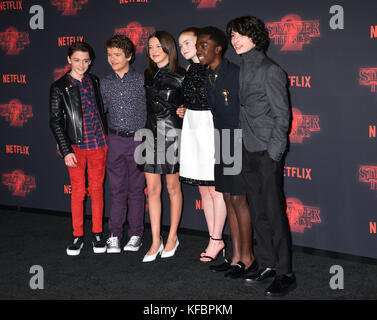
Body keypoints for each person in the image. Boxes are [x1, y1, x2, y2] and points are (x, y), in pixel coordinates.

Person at [226, 16, 296, 297]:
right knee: (257, 211)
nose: (235, 40)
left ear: (255, 36)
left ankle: (286, 273)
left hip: (267, 151)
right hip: (246, 149)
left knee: (275, 213)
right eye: (232, 36)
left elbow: (283, 116)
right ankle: (267, 264)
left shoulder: (271, 70)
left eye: (241, 34)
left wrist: (274, 152)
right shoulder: (239, 69)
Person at [195, 27, 257, 274]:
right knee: (228, 199)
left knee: (239, 200)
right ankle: (234, 256)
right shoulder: (208, 75)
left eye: (203, 45)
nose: (199, 50)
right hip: (221, 141)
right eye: (198, 45)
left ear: (218, 48)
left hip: (237, 141)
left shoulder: (234, 73)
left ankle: (248, 258)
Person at [49, 42, 108, 256]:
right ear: (68, 60)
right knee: (78, 192)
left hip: (99, 144)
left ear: (90, 61)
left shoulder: (94, 81)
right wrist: (66, 150)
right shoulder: (59, 86)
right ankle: (77, 235)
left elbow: (100, 110)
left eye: (85, 60)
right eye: (76, 60)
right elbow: (55, 121)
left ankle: (98, 233)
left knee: (97, 190)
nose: (81, 64)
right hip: (76, 146)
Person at [176, 27, 224, 261]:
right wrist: (184, 109)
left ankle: (217, 240)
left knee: (216, 189)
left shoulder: (211, 68)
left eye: (188, 43)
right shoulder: (190, 69)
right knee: (203, 189)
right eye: (181, 44)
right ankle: (213, 237)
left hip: (209, 128)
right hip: (193, 127)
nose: (184, 48)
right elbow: (192, 99)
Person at [138, 31, 185, 262]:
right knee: (152, 190)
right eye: (150, 47)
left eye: (158, 46)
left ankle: (173, 237)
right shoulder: (147, 75)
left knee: (172, 188)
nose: (154, 51)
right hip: (149, 135)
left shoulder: (181, 75)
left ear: (169, 48)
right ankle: (155, 239)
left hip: (172, 135)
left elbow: (194, 106)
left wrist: (186, 111)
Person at [100, 35, 147, 254]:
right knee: (117, 190)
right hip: (115, 140)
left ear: (129, 56)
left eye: (117, 54)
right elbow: (100, 112)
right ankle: (114, 235)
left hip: (138, 139)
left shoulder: (142, 80)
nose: (112, 58)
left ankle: (136, 233)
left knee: (137, 190)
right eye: (109, 55)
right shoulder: (105, 83)